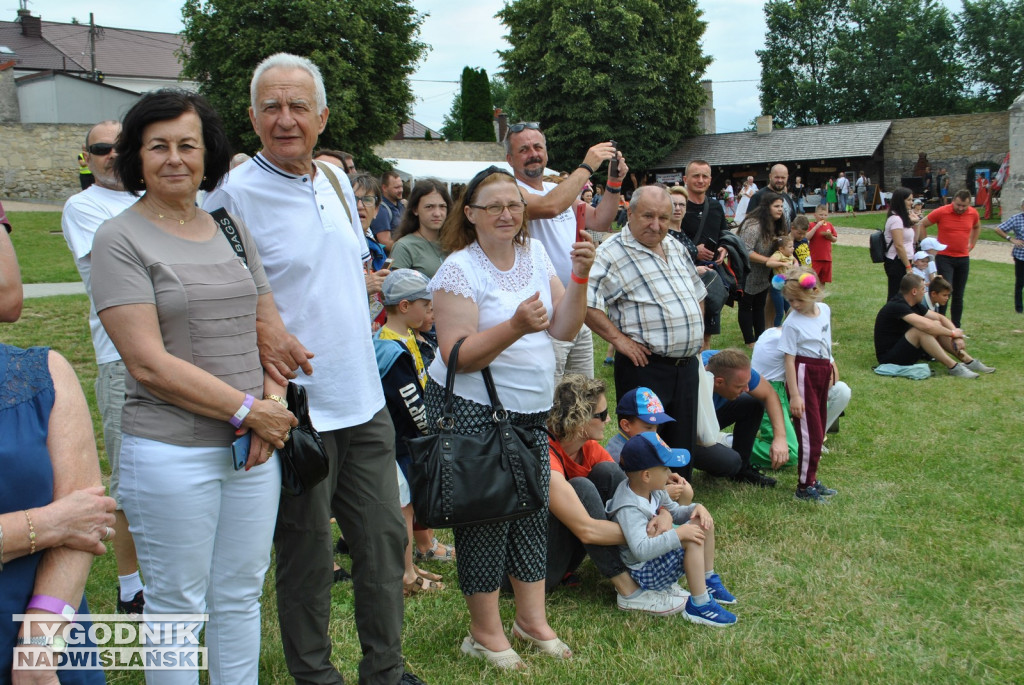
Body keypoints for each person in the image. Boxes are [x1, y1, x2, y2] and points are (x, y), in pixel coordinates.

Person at [202, 54, 420, 685]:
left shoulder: (330, 180)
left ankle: (386, 670)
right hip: (298, 411)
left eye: (298, 106)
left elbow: (344, 273)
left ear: (322, 117)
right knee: (307, 556)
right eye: (271, 106)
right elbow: (218, 303)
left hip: (363, 398)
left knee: (382, 544)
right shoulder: (231, 199)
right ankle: (315, 675)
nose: (285, 118)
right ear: (252, 117)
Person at [90, 89, 298, 682]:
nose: (175, 158)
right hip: (170, 452)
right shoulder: (119, 239)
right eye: (158, 146)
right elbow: (147, 362)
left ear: (209, 156)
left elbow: (270, 335)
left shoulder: (230, 229)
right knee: (177, 608)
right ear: (136, 156)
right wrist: (248, 411)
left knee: (239, 595)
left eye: (188, 144)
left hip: (252, 450)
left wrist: (273, 409)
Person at [426, 165, 594, 669]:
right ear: (471, 214)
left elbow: (564, 328)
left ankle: (531, 620)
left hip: (527, 410)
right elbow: (457, 354)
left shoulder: (536, 253)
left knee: (530, 514)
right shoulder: (459, 269)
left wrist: (580, 276)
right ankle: (483, 632)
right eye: (493, 205)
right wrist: (517, 326)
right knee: (486, 518)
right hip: (474, 409)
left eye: (514, 204)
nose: (506, 213)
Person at [1, 236, 115, 684]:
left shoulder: (43, 375)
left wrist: (36, 653)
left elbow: (84, 523)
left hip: (47, 633)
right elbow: (70, 519)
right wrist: (48, 523)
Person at [60, 119, 145, 616]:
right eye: (101, 148)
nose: (113, 155)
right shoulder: (84, 206)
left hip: (183, 356)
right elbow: (126, 270)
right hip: (122, 358)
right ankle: (131, 588)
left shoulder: (153, 200)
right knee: (129, 479)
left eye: (122, 146)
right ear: (86, 157)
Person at [545, 376, 688, 616]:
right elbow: (587, 530)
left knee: (609, 472)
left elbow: (635, 495)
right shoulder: (545, 457)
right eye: (602, 415)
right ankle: (629, 591)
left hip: (566, 559)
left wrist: (663, 514)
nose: (608, 419)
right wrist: (650, 535)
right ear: (579, 421)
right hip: (533, 571)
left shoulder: (589, 449)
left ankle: (645, 579)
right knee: (582, 487)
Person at [587, 185, 707, 462]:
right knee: (645, 449)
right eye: (648, 216)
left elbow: (698, 291)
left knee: (681, 443)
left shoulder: (674, 245)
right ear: (630, 213)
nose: (656, 225)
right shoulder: (610, 253)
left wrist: (695, 329)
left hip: (686, 367)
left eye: (663, 218)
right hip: (646, 367)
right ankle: (642, 503)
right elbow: (585, 303)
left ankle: (678, 501)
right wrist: (618, 340)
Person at [504, 121, 623, 386]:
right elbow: (550, 206)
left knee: (583, 396)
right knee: (553, 398)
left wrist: (614, 183)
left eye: (538, 146)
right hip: (541, 313)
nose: (533, 153)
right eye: (523, 149)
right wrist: (587, 166)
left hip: (575, 307)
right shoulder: (510, 191)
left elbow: (600, 221)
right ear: (509, 159)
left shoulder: (555, 189)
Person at [606, 433, 737, 626]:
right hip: (643, 571)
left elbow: (675, 512)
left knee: (701, 522)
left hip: (653, 559)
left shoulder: (654, 489)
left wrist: (695, 508)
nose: (670, 473)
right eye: (665, 468)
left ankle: (707, 581)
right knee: (692, 536)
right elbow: (641, 550)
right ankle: (700, 605)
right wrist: (679, 534)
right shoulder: (628, 507)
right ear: (646, 475)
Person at [374, 270, 451, 595]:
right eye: (425, 304)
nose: (429, 310)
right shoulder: (390, 350)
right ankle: (404, 575)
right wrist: (434, 431)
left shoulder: (406, 337)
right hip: (396, 441)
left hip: (405, 441)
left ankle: (409, 565)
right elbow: (411, 403)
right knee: (402, 506)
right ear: (405, 306)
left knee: (408, 504)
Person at [778, 269, 837, 503]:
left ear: (814, 291)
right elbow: (789, 360)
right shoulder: (792, 323)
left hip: (821, 372)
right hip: (804, 373)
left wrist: (831, 367)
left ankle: (811, 478)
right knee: (808, 432)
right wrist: (795, 395)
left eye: (798, 300)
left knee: (819, 428)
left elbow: (826, 341)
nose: (794, 305)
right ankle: (803, 487)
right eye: (790, 301)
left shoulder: (825, 311)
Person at [873, 274, 993, 378]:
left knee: (937, 325)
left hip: (905, 352)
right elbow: (926, 326)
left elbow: (940, 318)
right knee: (921, 330)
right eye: (923, 288)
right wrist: (951, 334)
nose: (925, 292)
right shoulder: (896, 305)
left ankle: (969, 361)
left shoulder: (914, 304)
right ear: (914, 291)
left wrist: (956, 334)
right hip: (889, 359)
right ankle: (953, 367)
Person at [702, 348, 790, 486]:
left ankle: (742, 471)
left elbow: (769, 395)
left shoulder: (729, 365)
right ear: (719, 382)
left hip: (708, 418)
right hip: (684, 429)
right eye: (740, 386)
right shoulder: (694, 381)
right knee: (729, 462)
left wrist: (780, 438)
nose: (747, 389)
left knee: (752, 402)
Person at [603, 387, 694, 505]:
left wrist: (667, 475)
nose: (655, 433)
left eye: (657, 427)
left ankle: (677, 518)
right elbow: (627, 493)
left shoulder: (648, 441)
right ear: (626, 425)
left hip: (652, 493)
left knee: (686, 490)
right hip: (634, 506)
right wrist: (663, 493)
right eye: (649, 427)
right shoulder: (616, 454)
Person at [678, 160, 730, 349]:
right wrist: (694, 248)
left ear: (709, 179)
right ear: (685, 179)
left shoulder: (715, 207)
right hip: (685, 275)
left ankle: (703, 373)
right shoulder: (677, 207)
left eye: (705, 176)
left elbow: (725, 232)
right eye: (696, 176)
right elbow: (667, 238)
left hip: (711, 276)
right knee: (688, 330)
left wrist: (725, 248)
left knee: (707, 333)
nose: (700, 180)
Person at [915, 189, 980, 327]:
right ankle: (940, 323)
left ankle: (956, 327)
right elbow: (923, 224)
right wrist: (927, 245)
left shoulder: (973, 213)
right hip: (945, 257)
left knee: (959, 294)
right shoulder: (942, 211)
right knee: (944, 292)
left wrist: (972, 244)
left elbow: (977, 226)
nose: (961, 208)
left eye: (964, 206)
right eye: (958, 205)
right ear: (953, 201)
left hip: (963, 257)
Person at [736, 191, 787, 346]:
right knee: (746, 306)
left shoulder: (775, 224)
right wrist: (768, 261)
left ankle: (760, 337)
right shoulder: (753, 225)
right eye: (776, 206)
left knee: (759, 305)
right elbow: (746, 250)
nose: (780, 209)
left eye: (782, 206)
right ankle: (749, 340)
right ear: (767, 208)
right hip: (747, 272)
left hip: (763, 274)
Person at [390, 178, 450, 279]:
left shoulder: (454, 243)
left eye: (442, 206)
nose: (437, 213)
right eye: (429, 207)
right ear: (415, 210)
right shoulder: (404, 247)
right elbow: (397, 290)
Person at [883, 187, 917, 301]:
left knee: (904, 296)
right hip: (897, 262)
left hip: (904, 260)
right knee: (896, 295)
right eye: (908, 200)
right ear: (900, 201)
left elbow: (914, 239)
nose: (911, 203)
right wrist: (908, 266)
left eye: (912, 200)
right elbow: (898, 245)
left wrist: (916, 222)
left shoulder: (902, 218)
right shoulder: (896, 219)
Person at [994, 197, 1024, 314]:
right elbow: (998, 229)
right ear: (1022, 207)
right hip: (1020, 255)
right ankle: (1019, 308)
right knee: (1020, 282)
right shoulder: (1016, 219)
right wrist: (1010, 238)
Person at [748, 164, 797, 228]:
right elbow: (748, 223)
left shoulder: (787, 197)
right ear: (770, 176)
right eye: (777, 177)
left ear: (787, 177)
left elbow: (792, 221)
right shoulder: (758, 196)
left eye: (783, 177)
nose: (780, 180)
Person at [370, 170, 406, 253]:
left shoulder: (400, 204)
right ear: (384, 188)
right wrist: (408, 250)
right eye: (396, 187)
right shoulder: (382, 209)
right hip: (392, 259)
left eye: (401, 186)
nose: (401, 190)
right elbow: (385, 242)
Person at [766, 234, 795, 326]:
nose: (793, 248)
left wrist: (796, 265)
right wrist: (782, 264)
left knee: (789, 310)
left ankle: (789, 328)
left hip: (787, 286)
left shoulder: (790, 255)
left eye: (793, 246)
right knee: (780, 313)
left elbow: (794, 260)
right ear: (781, 249)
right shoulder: (778, 255)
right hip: (777, 286)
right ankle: (777, 331)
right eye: (790, 247)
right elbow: (769, 263)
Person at [807, 203, 837, 283]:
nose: (823, 217)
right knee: (813, 279)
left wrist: (830, 237)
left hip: (826, 257)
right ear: (815, 215)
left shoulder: (829, 225)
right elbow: (807, 237)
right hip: (815, 257)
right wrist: (816, 226)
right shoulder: (811, 225)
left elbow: (835, 239)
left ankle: (821, 295)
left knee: (823, 280)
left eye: (825, 215)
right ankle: (813, 294)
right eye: (820, 215)